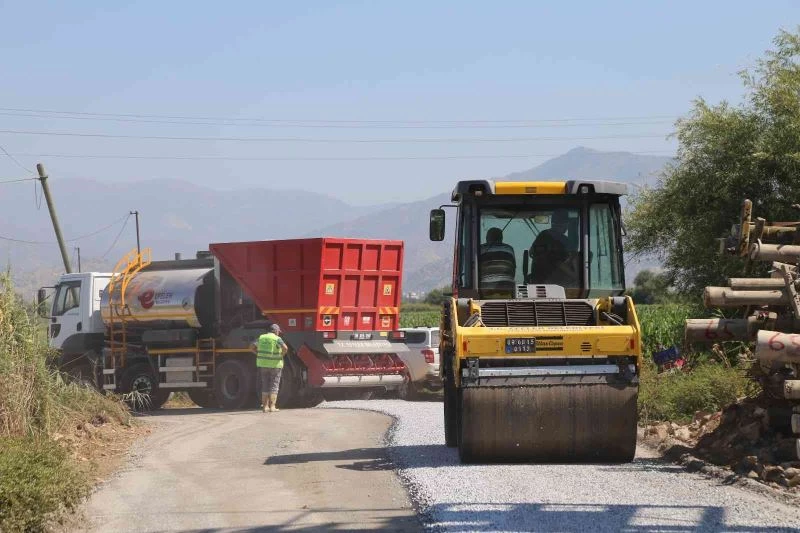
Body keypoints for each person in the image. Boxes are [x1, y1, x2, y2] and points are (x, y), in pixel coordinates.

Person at [530, 209, 575, 284]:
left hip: (537, 280)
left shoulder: (542, 234)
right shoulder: (563, 240)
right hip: (554, 283)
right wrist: (575, 276)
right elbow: (559, 263)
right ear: (565, 224)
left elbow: (531, 252)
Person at [253, 323, 288, 413]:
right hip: (275, 365)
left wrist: (258, 354)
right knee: (274, 386)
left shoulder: (261, 337)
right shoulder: (277, 339)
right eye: (278, 332)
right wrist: (281, 355)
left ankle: (265, 407)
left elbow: (251, 347)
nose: (278, 333)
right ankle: (272, 407)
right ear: (276, 331)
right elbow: (285, 348)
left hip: (263, 365)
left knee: (265, 385)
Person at [479, 227, 517, 292]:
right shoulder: (509, 249)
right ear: (501, 238)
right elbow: (513, 269)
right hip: (508, 286)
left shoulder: (481, 249)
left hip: (485, 287)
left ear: (487, 238)